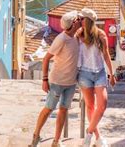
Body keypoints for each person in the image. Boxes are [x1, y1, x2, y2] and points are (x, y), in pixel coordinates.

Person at [31, 11, 82, 147]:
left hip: (71, 83)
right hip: (56, 82)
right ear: (73, 24)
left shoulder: (76, 37)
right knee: (48, 108)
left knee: (63, 110)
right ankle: (36, 135)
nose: (79, 20)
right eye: (77, 19)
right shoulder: (61, 39)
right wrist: (44, 80)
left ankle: (56, 141)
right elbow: (46, 58)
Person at [77, 8, 116, 147]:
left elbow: (106, 55)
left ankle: (88, 133)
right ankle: (97, 138)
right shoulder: (78, 35)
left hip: (99, 73)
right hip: (84, 74)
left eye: (81, 19)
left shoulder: (101, 35)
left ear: (87, 20)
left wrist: (111, 74)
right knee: (90, 106)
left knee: (102, 105)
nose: (79, 21)